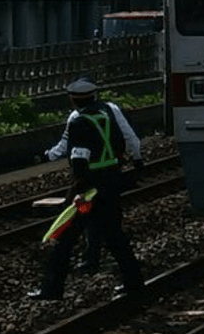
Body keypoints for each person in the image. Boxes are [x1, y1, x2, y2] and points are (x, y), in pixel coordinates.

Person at [27, 77, 145, 300]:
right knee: (115, 237)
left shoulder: (79, 122)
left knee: (65, 238)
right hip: (110, 184)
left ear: (73, 99)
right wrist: (137, 161)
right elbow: (125, 141)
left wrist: (77, 192)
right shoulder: (107, 115)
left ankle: (51, 289)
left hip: (89, 192)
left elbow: (80, 158)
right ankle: (134, 282)